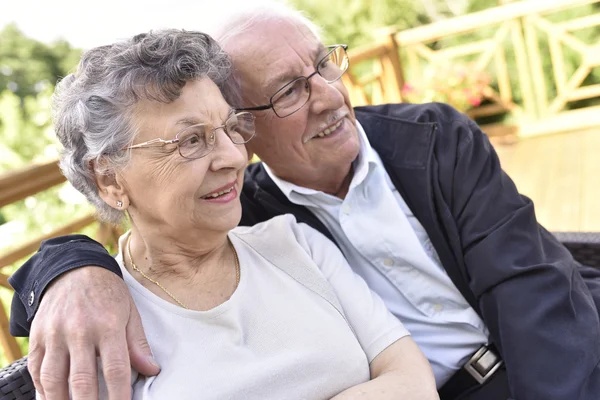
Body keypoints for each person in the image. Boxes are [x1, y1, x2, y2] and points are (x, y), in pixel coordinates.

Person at [9, 3, 600, 400]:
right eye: (289, 90)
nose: (329, 97)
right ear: (251, 128)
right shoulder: (255, 216)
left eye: (323, 65)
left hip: (556, 358)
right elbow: (155, 238)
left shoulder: (432, 136)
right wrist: (67, 268)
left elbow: (533, 290)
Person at [18, 28, 439, 400]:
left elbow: (412, 380)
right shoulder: (97, 321)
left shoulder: (295, 243)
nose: (234, 157)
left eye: (230, 127)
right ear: (110, 180)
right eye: (191, 141)